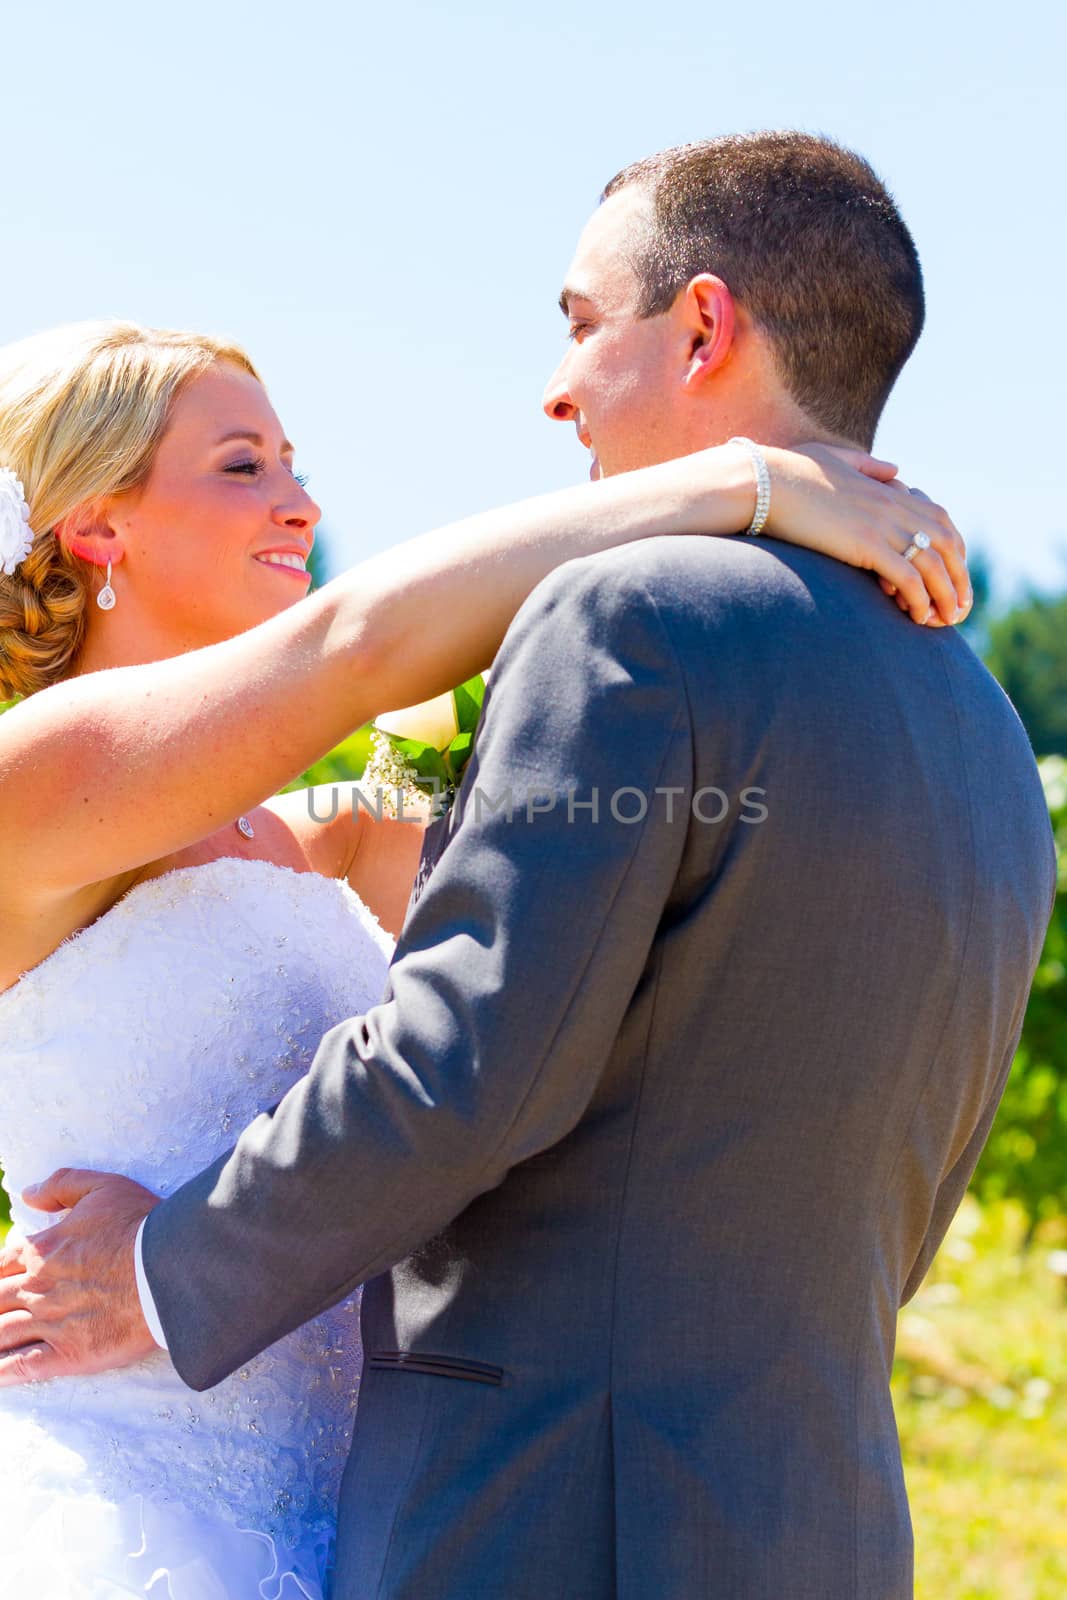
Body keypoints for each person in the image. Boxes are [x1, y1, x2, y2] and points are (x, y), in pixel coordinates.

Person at [0, 130, 1032, 1600]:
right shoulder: (976, 719)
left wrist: (166, 1268)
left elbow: (468, 1067)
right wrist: (751, 482)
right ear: (87, 525)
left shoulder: (629, 634)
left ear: (702, 326)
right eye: (245, 467)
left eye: (577, 327)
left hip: (531, 1507)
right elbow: (347, 659)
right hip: (788, 1506)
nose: (300, 503)